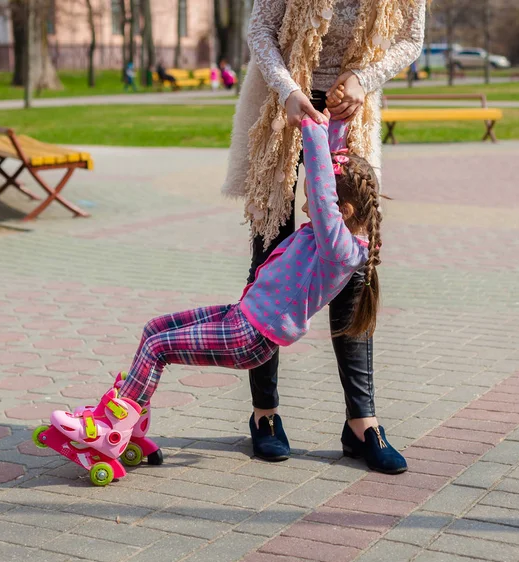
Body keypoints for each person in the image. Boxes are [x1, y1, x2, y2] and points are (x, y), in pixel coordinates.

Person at [49, 115, 405, 474]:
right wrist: (335, 121)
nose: (304, 206)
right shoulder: (341, 231)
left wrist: (310, 129)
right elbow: (331, 174)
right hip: (242, 317)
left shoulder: (339, 247)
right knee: (154, 329)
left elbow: (324, 187)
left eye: (310, 199)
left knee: (158, 349)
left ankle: (111, 429)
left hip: (249, 337)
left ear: (341, 212)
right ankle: (134, 419)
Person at [222, 0, 428, 474]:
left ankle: (362, 424)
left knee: (353, 266)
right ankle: (265, 415)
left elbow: (409, 39)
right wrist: (290, 90)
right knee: (270, 259)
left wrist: (364, 79)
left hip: (352, 113)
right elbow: (261, 31)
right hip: (280, 111)